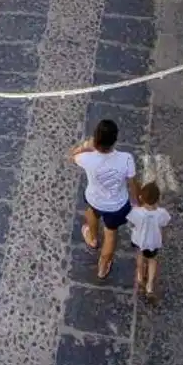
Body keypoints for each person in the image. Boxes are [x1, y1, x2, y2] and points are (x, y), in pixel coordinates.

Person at [70, 118, 140, 280]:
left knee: (92, 214)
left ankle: (93, 238)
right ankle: (103, 267)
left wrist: (86, 146)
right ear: (115, 140)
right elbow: (133, 183)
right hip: (117, 206)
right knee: (111, 234)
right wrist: (136, 202)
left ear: (96, 139)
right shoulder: (126, 159)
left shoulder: (87, 158)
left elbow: (72, 156)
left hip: (94, 199)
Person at [128, 180, 170, 303]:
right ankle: (150, 285)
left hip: (139, 240)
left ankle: (140, 276)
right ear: (157, 199)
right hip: (153, 242)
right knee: (152, 260)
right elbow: (165, 222)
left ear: (142, 197)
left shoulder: (136, 212)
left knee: (140, 257)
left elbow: (130, 218)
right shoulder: (161, 213)